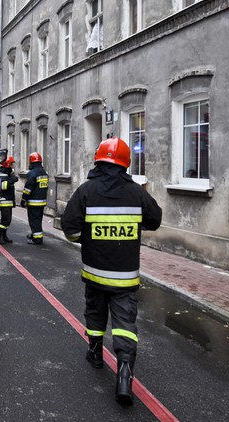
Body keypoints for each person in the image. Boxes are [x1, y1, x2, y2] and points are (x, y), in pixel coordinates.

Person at [60, 137, 162, 406]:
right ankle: (125, 373)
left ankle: (95, 352)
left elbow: (68, 227)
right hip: (125, 276)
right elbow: (155, 219)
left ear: (99, 160)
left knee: (95, 312)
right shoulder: (136, 192)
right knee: (125, 324)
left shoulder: (86, 190)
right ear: (125, 163)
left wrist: (87, 239)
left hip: (95, 272)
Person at [20, 152, 48, 245]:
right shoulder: (44, 173)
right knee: (38, 219)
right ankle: (34, 234)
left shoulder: (32, 174)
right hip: (42, 202)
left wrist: (23, 199)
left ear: (32, 162)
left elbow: (28, 189)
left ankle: (37, 239)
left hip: (33, 202)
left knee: (33, 220)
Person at [0, 156, 18, 244]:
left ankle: (4, 235)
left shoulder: (8, 174)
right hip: (4, 201)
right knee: (5, 220)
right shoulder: (2, 174)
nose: (12, 166)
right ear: (6, 164)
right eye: (11, 164)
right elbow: (3, 186)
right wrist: (12, 181)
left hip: (8, 201)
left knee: (8, 220)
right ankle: (0, 236)